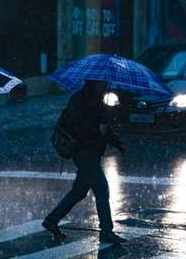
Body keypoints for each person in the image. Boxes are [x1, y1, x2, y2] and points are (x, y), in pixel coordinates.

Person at [43, 80, 127, 244]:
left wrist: (116, 142)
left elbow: (102, 127)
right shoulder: (80, 99)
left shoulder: (99, 99)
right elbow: (77, 125)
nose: (104, 85)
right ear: (92, 83)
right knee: (102, 189)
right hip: (83, 151)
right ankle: (106, 231)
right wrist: (97, 128)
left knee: (79, 191)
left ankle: (52, 220)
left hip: (92, 151)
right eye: (101, 83)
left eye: (105, 84)